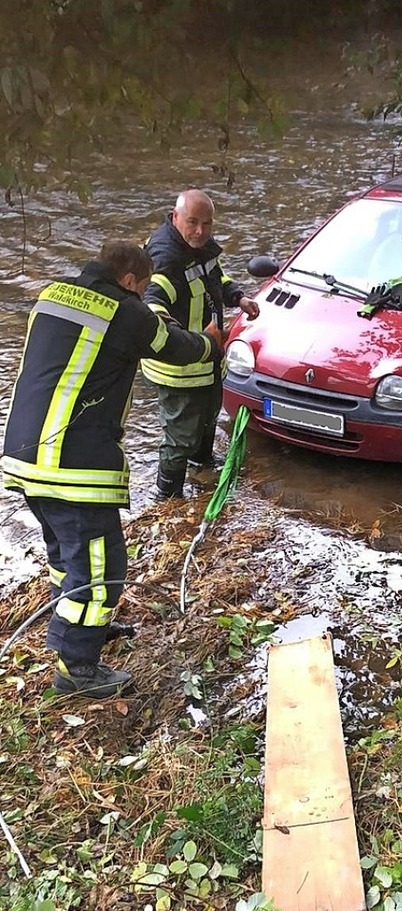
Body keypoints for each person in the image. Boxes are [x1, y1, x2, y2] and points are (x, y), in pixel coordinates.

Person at [1, 241, 224, 698]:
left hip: (23, 453)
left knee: (67, 557)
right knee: (104, 570)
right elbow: (176, 347)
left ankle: (76, 630)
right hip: (75, 465)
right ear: (129, 281)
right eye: (140, 289)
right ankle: (75, 668)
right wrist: (212, 342)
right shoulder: (127, 312)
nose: (140, 295)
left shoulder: (52, 293)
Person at [140, 188, 259, 498]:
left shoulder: (199, 248)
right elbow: (152, 302)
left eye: (207, 224)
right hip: (180, 369)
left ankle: (202, 471)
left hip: (208, 361)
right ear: (174, 217)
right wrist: (181, 339)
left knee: (207, 422)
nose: (200, 231)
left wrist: (238, 297)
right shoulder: (166, 257)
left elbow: (214, 278)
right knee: (179, 437)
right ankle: (168, 499)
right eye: (192, 222)